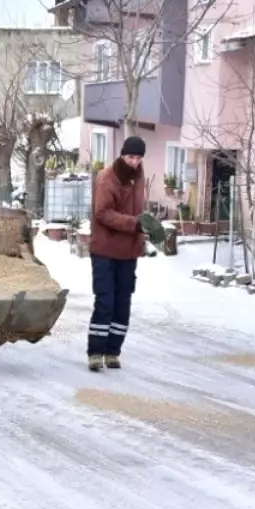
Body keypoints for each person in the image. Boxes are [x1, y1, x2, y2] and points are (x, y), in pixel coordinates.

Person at [87, 135, 161, 372]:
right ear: (122, 155)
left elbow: (137, 212)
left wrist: (146, 225)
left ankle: (113, 352)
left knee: (123, 304)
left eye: (138, 158)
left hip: (128, 252)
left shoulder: (138, 178)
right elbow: (103, 213)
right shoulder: (107, 178)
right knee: (105, 301)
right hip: (105, 250)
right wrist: (135, 224)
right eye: (131, 157)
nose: (135, 162)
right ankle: (95, 352)